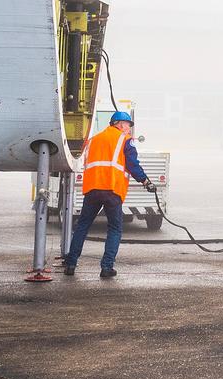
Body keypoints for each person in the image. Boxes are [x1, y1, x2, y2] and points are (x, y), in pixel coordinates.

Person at [64, 110, 155, 279]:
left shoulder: (93, 140)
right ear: (120, 124)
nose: (129, 129)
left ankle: (70, 264)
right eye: (128, 125)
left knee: (83, 226)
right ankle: (106, 267)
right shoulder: (125, 140)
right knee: (114, 229)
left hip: (92, 189)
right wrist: (145, 181)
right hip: (112, 189)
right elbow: (133, 165)